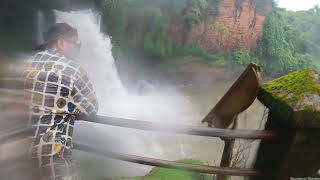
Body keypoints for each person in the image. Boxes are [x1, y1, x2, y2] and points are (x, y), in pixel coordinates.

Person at [21, 23, 99, 180]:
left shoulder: (24, 64)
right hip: (52, 159)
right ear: (61, 43)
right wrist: (62, 107)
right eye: (76, 44)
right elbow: (91, 108)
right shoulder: (72, 69)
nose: (78, 48)